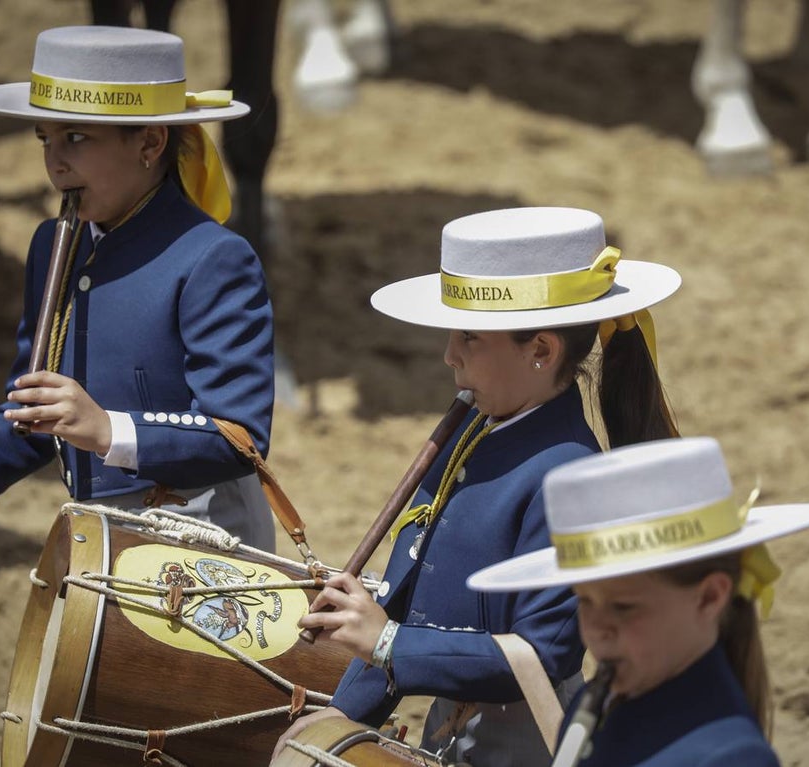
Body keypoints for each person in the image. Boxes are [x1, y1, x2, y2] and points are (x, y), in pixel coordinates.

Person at [273, 206, 683, 766]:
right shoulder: (473, 429)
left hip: (530, 741)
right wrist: (347, 713)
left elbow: (544, 651)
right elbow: (404, 596)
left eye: (469, 337)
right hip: (452, 726)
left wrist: (389, 645)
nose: (449, 356)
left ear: (541, 351)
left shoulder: (572, 475)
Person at [0, 26, 276, 556]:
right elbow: (32, 409)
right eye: (45, 138)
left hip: (205, 542)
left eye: (77, 138)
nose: (55, 161)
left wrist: (107, 429)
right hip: (96, 537)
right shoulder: (51, 245)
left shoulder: (213, 257)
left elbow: (238, 438)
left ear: (150, 143)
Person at [467, 436, 809, 766]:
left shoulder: (731, 757)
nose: (596, 628)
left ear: (709, 598)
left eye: (623, 607)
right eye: (584, 601)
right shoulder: (592, 709)